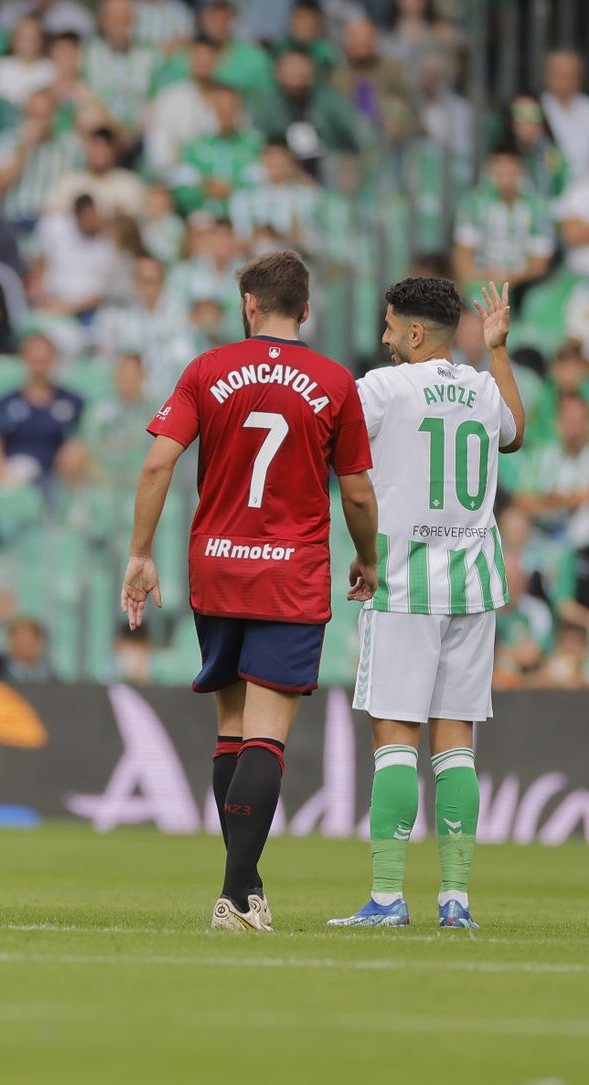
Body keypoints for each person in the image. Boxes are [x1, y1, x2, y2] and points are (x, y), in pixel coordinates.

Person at [120, 250, 379, 931]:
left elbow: (157, 462)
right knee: (266, 734)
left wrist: (141, 552)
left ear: (249, 306)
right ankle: (235, 897)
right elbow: (354, 488)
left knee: (231, 728)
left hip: (218, 566)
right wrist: (369, 557)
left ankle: (247, 886)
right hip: (290, 574)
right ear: (307, 310)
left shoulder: (208, 369)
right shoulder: (334, 381)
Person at [330, 280, 524, 931]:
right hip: (473, 583)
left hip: (406, 581)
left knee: (393, 736)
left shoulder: (385, 388)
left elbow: (327, 429)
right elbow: (516, 433)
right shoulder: (481, 387)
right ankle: (457, 900)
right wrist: (497, 350)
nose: (383, 339)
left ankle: (387, 898)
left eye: (389, 327)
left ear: (415, 333)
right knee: (457, 741)